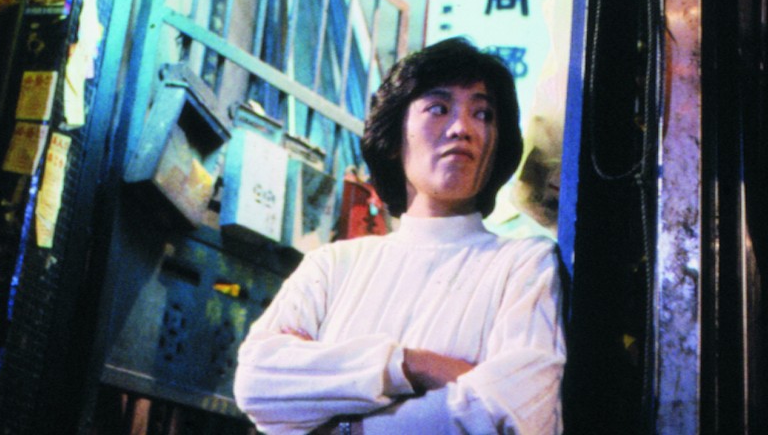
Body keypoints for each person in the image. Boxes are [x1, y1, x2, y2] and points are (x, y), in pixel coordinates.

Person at [233, 37, 565, 434]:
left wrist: (337, 424)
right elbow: (256, 382)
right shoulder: (333, 265)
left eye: (483, 114)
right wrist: (413, 365)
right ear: (394, 139)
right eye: (439, 108)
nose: (463, 129)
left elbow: (517, 415)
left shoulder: (525, 263)